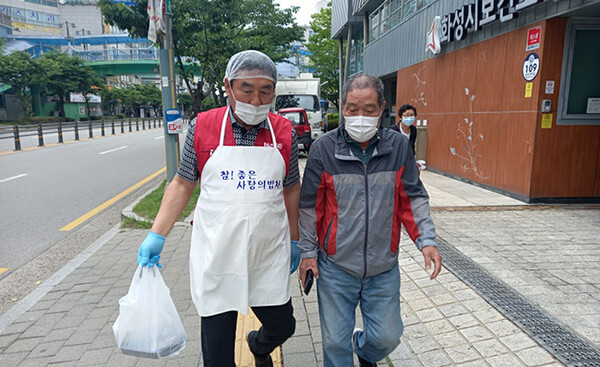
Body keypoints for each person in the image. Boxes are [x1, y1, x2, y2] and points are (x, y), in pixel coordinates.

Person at [136, 50, 301, 367]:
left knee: (284, 325)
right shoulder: (203, 126)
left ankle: (259, 344)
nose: (256, 100)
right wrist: (157, 235)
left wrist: (295, 239)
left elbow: (291, 188)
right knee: (218, 357)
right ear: (228, 86)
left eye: (265, 91)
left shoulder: (284, 132)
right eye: (247, 89)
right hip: (218, 254)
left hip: (267, 253)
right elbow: (183, 183)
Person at [297, 74, 442, 367]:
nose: (359, 117)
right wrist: (308, 254)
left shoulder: (398, 147)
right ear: (342, 107)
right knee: (335, 343)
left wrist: (426, 241)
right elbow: (310, 207)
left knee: (387, 337)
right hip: (336, 266)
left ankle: (364, 350)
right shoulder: (323, 149)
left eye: (369, 110)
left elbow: (412, 197)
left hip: (383, 267)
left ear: (383, 109)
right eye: (352, 109)